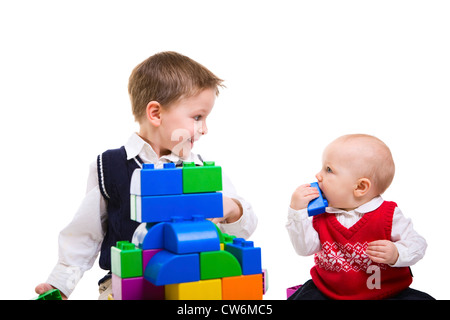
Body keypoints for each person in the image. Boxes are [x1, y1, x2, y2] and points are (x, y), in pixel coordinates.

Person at [35, 51, 257, 299]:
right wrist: (61, 285)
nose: (204, 129)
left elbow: (245, 227)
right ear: (156, 114)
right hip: (125, 285)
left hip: (188, 283)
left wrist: (230, 208)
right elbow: (84, 235)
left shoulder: (200, 168)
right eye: (197, 117)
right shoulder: (109, 166)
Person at [286, 134, 433, 300]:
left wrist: (396, 253)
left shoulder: (388, 214)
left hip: (385, 292)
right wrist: (297, 211)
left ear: (360, 187)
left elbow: (418, 244)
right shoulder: (321, 213)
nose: (318, 176)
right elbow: (304, 249)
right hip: (329, 291)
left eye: (328, 170)